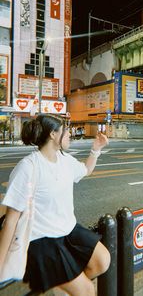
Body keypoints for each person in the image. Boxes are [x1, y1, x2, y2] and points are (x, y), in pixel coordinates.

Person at [0, 114, 110, 296]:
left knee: (103, 261)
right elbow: (11, 220)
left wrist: (96, 149)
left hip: (67, 230)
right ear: (53, 134)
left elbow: (86, 170)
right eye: (65, 131)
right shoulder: (28, 167)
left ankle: (58, 286)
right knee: (87, 291)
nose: (69, 135)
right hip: (42, 239)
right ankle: (62, 285)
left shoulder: (64, 160)